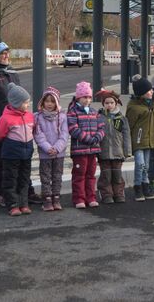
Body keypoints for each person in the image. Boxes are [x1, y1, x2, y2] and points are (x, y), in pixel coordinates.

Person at [0, 39, 41, 207]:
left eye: (7, 52)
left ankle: (26, 193)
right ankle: (2, 193)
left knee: (23, 162)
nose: (6, 55)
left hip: (18, 124)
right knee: (2, 162)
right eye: (2, 53)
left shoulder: (12, 73)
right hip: (1, 124)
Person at [0, 83, 34, 216]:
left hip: (26, 153)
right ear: (16, 103)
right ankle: (12, 204)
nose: (28, 105)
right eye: (25, 102)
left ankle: (23, 203)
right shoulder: (6, 118)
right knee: (10, 179)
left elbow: (32, 130)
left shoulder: (29, 116)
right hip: (11, 155)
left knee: (24, 179)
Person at [67, 81, 105, 209]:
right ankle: (79, 198)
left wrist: (98, 137)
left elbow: (101, 127)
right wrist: (89, 139)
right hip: (80, 150)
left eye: (89, 97)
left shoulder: (94, 112)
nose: (87, 100)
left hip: (93, 150)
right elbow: (73, 129)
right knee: (79, 174)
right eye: (84, 97)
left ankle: (91, 197)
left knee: (91, 174)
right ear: (78, 97)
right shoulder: (73, 111)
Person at [34, 86, 69, 211]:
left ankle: (56, 198)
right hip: (45, 153)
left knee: (57, 176)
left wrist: (57, 148)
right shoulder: (37, 117)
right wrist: (48, 148)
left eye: (52, 101)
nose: (49, 104)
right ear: (42, 102)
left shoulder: (63, 117)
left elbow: (65, 134)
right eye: (47, 101)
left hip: (59, 153)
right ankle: (47, 199)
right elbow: (38, 135)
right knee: (45, 176)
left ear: (57, 103)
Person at [126, 76, 154, 202]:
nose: (151, 92)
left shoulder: (152, 105)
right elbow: (129, 126)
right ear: (141, 93)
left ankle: (145, 185)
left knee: (146, 165)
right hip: (138, 141)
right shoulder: (134, 107)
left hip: (149, 140)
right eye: (148, 90)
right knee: (140, 164)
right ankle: (138, 186)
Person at [97, 89, 132, 204]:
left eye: (111, 103)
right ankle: (107, 195)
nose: (109, 105)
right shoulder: (99, 117)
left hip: (118, 152)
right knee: (106, 176)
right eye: (106, 103)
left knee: (117, 175)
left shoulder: (121, 118)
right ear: (103, 104)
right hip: (104, 153)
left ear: (116, 103)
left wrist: (127, 151)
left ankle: (118, 194)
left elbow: (126, 135)